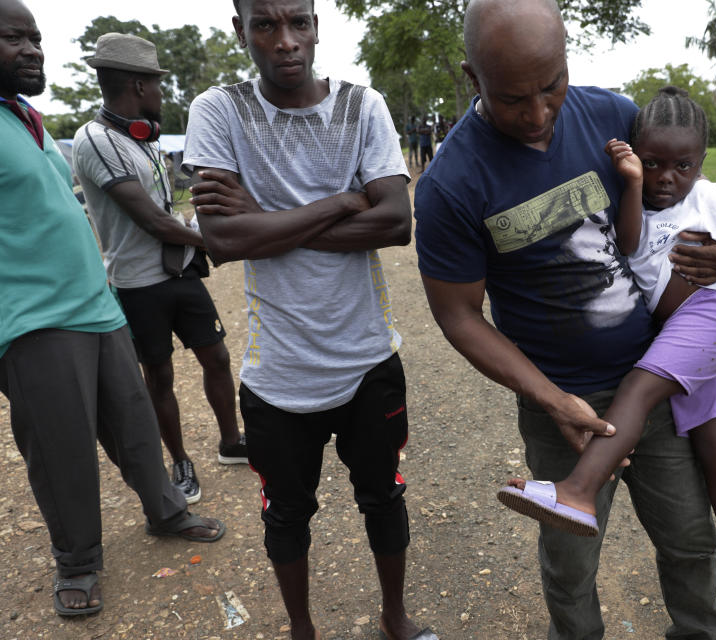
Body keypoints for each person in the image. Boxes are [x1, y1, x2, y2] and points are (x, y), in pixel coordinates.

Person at [414, 0, 716, 637]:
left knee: (690, 539)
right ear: (472, 79)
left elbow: (677, 198)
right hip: (560, 402)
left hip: (655, 377)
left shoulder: (613, 116)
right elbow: (457, 315)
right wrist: (551, 400)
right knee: (570, 563)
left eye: (551, 85)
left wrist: (713, 255)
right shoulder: (452, 182)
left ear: (567, 61)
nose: (537, 115)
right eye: (512, 99)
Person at [499, 86, 716, 633]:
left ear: (701, 163)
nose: (667, 176)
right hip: (679, 345)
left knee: (636, 393)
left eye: (682, 165)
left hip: (707, 321)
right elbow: (635, 242)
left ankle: (578, 488)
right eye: (654, 163)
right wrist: (634, 182)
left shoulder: (707, 196)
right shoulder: (628, 188)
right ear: (635, 153)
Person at [182, 1, 431, 639]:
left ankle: (396, 617)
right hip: (278, 375)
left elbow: (396, 223)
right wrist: (348, 199)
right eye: (266, 25)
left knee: (385, 497)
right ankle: (301, 629)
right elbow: (222, 240)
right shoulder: (219, 111)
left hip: (368, 358)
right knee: (286, 516)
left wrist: (264, 217)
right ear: (241, 31)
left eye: (299, 22)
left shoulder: (362, 107)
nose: (286, 41)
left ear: (318, 24)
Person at [0, 0, 225, 619]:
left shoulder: (25, 119)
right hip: (34, 320)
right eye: (12, 37)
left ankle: (166, 511)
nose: (31, 49)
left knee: (132, 421)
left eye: (35, 37)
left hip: (95, 305)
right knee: (60, 445)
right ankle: (77, 561)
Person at [72, 33, 247, 506]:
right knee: (161, 376)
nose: (161, 94)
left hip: (179, 271)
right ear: (137, 85)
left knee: (218, 358)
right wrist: (217, 241)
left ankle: (232, 441)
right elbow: (150, 219)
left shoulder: (142, 137)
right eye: (156, 84)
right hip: (138, 283)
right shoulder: (96, 140)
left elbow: (171, 203)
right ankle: (180, 460)